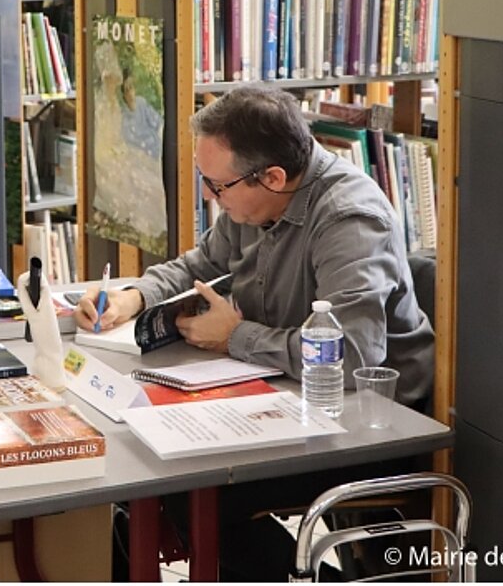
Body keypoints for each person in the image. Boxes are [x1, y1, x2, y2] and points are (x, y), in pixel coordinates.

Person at [74, 84, 433, 581]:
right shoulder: (255, 201)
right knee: (151, 478)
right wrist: (134, 297)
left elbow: (351, 356)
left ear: (274, 177)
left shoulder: (349, 220)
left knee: (196, 494)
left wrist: (236, 336)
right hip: (287, 396)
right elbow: (202, 261)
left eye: (216, 186)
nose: (208, 195)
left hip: (364, 425)